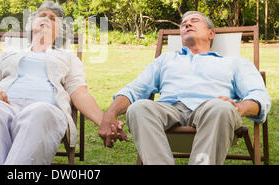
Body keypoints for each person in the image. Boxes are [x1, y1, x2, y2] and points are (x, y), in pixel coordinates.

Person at [98, 11, 271, 165]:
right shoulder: (165, 60)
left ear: (211, 33)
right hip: (169, 110)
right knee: (139, 108)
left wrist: (239, 107)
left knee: (221, 107)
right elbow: (134, 89)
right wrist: (110, 113)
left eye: (194, 21)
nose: (187, 24)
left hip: (212, 110)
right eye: (183, 24)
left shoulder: (233, 63)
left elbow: (258, 95)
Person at [0, 0, 106, 165]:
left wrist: (104, 121)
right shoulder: (9, 53)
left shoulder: (68, 57)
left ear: (60, 31)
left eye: (53, 18)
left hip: (45, 109)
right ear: (32, 23)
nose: (47, 19)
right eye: (42, 15)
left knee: (40, 111)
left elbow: (80, 93)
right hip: (6, 107)